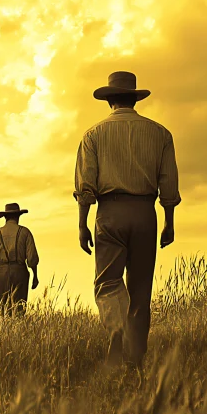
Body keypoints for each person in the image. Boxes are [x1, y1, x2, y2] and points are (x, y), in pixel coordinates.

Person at [73, 71, 181, 367]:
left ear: (109, 100)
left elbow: (86, 187)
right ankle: (136, 359)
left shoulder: (93, 135)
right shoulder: (160, 134)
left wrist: (82, 225)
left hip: (109, 212)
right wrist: (169, 221)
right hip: (145, 212)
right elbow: (168, 183)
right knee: (140, 288)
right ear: (134, 98)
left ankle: (116, 330)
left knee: (107, 282)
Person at [0, 203, 40, 315]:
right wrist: (35, 276)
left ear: (5, 217)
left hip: (2, 272)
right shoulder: (25, 232)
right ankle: (17, 330)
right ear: (18, 216)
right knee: (19, 308)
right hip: (20, 271)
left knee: (1, 309)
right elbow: (32, 258)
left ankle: (4, 330)